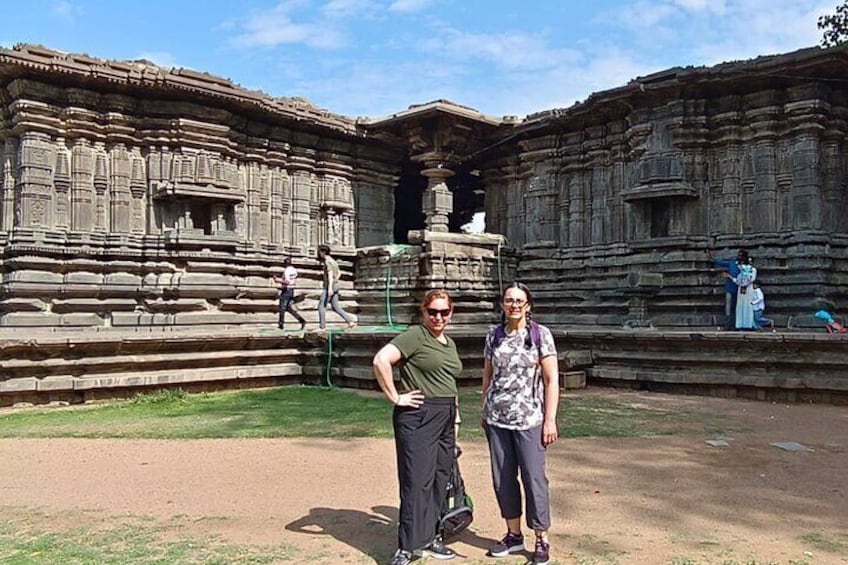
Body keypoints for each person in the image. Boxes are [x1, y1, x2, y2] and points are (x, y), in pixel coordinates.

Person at [372, 289, 463, 565]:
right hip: (419, 414)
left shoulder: (449, 343)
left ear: (451, 313)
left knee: (439, 477)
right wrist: (395, 396)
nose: (438, 317)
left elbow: (449, 380)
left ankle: (432, 537)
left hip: (445, 414)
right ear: (424, 312)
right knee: (416, 481)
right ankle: (408, 546)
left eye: (443, 312)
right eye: (432, 312)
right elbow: (380, 360)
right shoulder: (415, 335)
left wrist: (456, 416)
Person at [481, 282, 559, 565]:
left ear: (528, 305)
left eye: (519, 301)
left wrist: (550, 419)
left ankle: (541, 537)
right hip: (498, 419)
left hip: (530, 419)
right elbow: (488, 375)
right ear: (503, 304)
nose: (514, 305)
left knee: (534, 478)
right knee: (502, 479)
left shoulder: (540, 335)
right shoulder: (494, 336)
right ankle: (513, 535)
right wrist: (484, 407)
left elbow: (552, 380)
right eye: (509, 300)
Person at [706, 248, 749, 330]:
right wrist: (712, 258)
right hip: (729, 288)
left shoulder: (746, 267)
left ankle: (736, 325)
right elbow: (720, 262)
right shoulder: (732, 263)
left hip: (740, 290)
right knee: (728, 307)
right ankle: (727, 325)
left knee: (737, 308)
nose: (739, 257)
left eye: (741, 256)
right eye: (738, 255)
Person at [317, 244, 356, 330]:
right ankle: (350, 321)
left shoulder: (327, 262)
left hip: (330, 286)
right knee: (335, 306)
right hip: (336, 285)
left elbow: (330, 274)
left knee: (321, 306)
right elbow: (339, 273)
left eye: (320, 252)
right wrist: (336, 280)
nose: (319, 254)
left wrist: (330, 287)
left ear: (322, 252)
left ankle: (322, 327)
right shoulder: (334, 261)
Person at [724, 255, 757, 330]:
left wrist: (744, 280)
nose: (749, 263)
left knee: (748, 306)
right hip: (740, 289)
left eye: (750, 261)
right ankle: (740, 325)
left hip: (748, 289)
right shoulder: (741, 269)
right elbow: (737, 280)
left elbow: (752, 279)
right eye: (748, 261)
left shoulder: (753, 270)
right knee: (740, 306)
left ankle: (748, 324)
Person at [273, 257, 306, 331]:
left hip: (286, 290)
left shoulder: (287, 271)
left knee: (282, 307)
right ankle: (301, 320)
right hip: (291, 290)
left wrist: (277, 280)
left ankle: (281, 325)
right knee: (288, 308)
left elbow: (287, 281)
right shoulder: (294, 270)